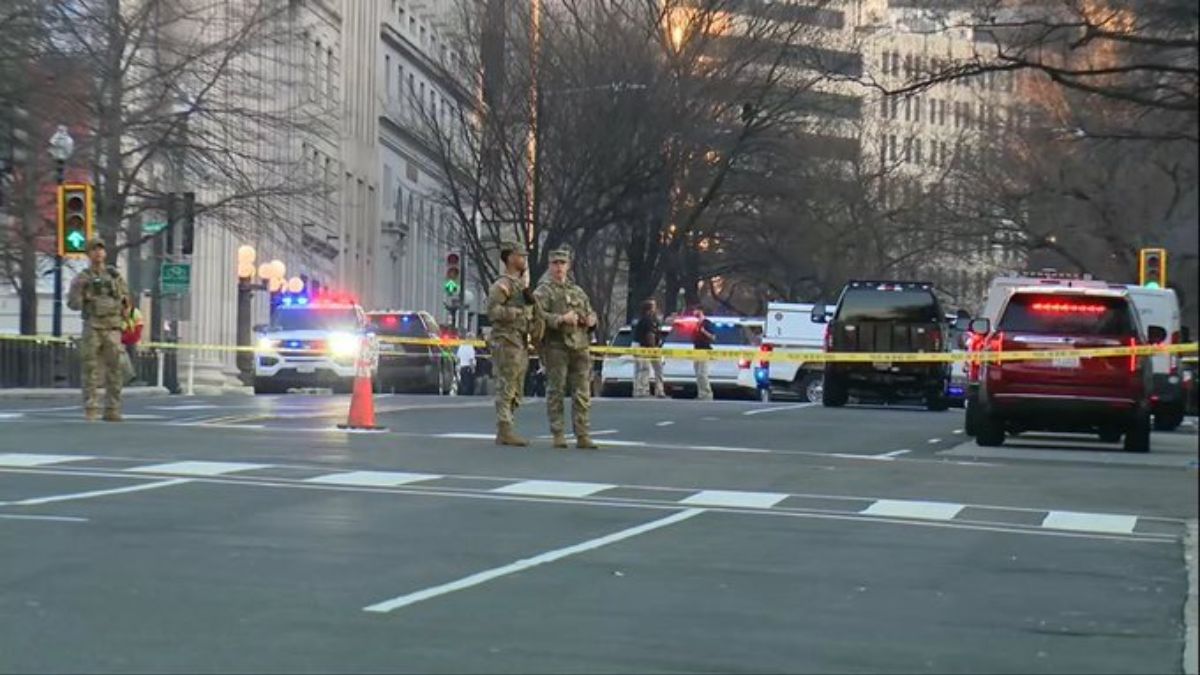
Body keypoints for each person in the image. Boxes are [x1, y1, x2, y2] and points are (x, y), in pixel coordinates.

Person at [534, 247, 600, 449]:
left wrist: (591, 320)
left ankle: (583, 434)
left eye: (562, 263)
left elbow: (590, 313)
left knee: (582, 392)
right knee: (556, 390)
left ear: (568, 266)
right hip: (557, 346)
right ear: (549, 266)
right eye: (555, 263)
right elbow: (537, 316)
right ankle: (558, 432)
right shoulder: (543, 291)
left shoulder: (577, 291)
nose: (558, 268)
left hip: (580, 345)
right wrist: (560, 319)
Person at [66, 238, 131, 421]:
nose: (98, 253)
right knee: (90, 369)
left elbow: (126, 299)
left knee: (115, 370)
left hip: (113, 327)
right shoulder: (82, 278)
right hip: (93, 326)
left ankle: (113, 409)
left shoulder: (114, 276)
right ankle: (91, 407)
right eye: (94, 249)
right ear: (88, 253)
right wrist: (83, 295)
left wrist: (126, 311)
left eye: (101, 249)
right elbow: (73, 303)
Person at [486, 240, 536, 446]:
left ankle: (508, 424)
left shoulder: (520, 285)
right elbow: (493, 312)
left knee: (517, 387)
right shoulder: (502, 285)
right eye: (520, 256)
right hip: (506, 340)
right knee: (506, 385)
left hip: (520, 340)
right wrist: (514, 313)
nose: (524, 259)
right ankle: (504, 428)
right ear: (510, 258)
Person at [632, 298, 666, 398]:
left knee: (657, 369)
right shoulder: (646, 320)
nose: (655, 309)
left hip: (651, 347)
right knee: (643, 369)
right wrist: (654, 348)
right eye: (654, 307)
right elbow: (649, 335)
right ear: (649, 309)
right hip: (644, 347)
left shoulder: (655, 320)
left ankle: (659, 390)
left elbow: (656, 334)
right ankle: (641, 390)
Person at [691, 306, 716, 401]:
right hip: (696, 350)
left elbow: (713, 337)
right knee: (698, 373)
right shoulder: (696, 323)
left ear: (700, 311)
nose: (694, 312)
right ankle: (701, 393)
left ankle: (707, 394)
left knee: (702, 373)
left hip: (705, 351)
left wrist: (704, 331)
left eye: (695, 310)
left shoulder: (707, 323)